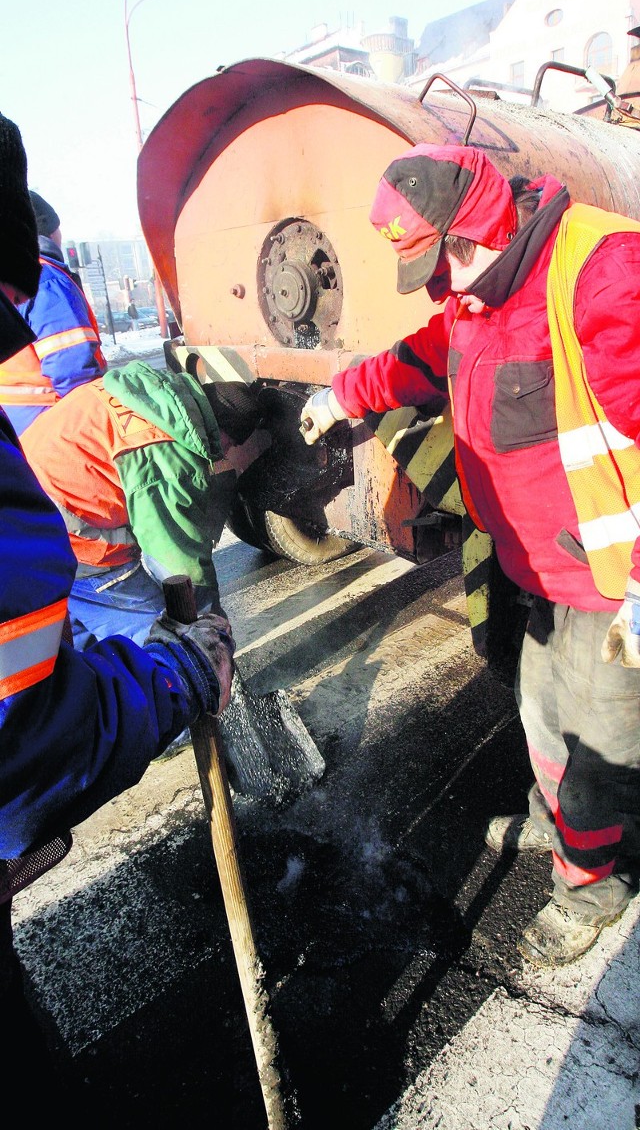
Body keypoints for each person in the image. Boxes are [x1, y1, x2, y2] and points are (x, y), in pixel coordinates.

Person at [300, 141, 640, 969]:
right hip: (535, 571)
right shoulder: (474, 290)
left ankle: (591, 885)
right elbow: (425, 358)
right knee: (541, 717)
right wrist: (340, 394)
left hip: (608, 583)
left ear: (479, 221)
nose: (447, 281)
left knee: (603, 741)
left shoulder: (601, 270)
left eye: (453, 256)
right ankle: (567, 826)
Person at [0, 109, 235, 1085]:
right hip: (71, 541)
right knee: (137, 643)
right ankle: (212, 750)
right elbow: (27, 727)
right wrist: (191, 654)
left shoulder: (140, 400)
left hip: (60, 525)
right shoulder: (166, 431)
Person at [19, 358, 230, 651]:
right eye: (231, 449)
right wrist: (211, 633)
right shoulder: (166, 458)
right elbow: (178, 561)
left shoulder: (149, 395)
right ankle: (186, 691)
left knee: (83, 651)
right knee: (166, 641)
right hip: (69, 541)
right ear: (225, 435)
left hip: (24, 515)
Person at [0, 188, 106, 436]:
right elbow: (73, 369)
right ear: (49, 231)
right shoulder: (45, 279)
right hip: (55, 423)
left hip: (18, 424)